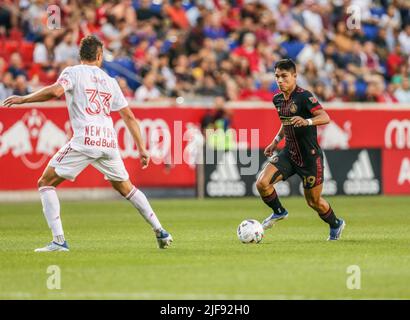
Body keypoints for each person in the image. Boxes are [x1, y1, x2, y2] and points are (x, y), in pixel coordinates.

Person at [2, 35, 173, 251]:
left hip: (85, 139)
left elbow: (55, 92)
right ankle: (160, 231)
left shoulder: (72, 72)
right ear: (99, 56)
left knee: (45, 182)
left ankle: (59, 241)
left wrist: (24, 99)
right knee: (126, 188)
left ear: (81, 55)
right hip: (108, 141)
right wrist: (142, 148)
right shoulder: (111, 81)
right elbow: (128, 116)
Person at [256, 59, 345, 241]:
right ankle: (279, 212)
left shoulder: (304, 97)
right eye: (277, 77)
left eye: (284, 76)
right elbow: (285, 122)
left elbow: (325, 117)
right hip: (289, 153)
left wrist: (308, 121)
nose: (280, 80)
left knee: (314, 202)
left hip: (310, 157)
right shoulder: (278, 99)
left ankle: (336, 224)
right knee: (262, 183)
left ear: (294, 76)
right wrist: (275, 141)